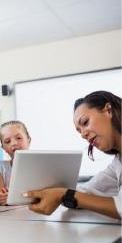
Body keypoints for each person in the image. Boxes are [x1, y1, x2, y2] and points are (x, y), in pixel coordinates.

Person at [25, 91, 121, 219]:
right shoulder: (117, 162)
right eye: (79, 131)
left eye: (85, 122)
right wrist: (46, 193)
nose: (83, 134)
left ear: (108, 110)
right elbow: (87, 190)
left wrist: (65, 194)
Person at [0, 121, 31, 205]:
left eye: (19, 138)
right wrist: (3, 198)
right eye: (7, 141)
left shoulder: (40, 166)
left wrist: (13, 198)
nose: (14, 143)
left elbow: (43, 195)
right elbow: (0, 195)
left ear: (29, 140)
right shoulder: (1, 166)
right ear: (3, 148)